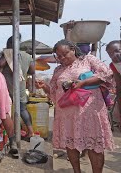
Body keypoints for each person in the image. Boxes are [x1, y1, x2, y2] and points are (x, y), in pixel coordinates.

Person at [36, 39, 114, 173]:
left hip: (90, 112)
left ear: (73, 49)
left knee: (94, 145)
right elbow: (55, 94)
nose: (62, 58)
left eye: (65, 54)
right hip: (67, 114)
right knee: (70, 145)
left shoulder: (88, 60)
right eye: (58, 56)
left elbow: (107, 74)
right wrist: (44, 87)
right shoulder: (58, 70)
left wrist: (83, 82)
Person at [0, 36, 35, 140]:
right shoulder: (28, 56)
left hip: (7, 89)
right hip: (21, 87)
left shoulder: (7, 55)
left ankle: (10, 134)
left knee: (5, 111)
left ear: (9, 45)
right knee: (23, 110)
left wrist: (5, 54)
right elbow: (32, 71)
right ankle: (30, 132)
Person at [106, 40, 121, 122]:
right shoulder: (113, 65)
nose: (115, 55)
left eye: (117, 50)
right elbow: (119, 86)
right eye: (111, 54)